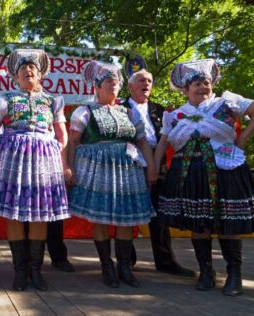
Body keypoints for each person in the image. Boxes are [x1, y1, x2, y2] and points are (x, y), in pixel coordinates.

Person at [155, 59, 254, 296]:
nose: (203, 87)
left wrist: (241, 140)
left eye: (206, 82)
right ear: (185, 89)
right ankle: (206, 270)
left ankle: (234, 274)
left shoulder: (226, 102)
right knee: (199, 222)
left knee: (227, 221)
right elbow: (163, 144)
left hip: (224, 168)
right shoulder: (174, 115)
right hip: (189, 172)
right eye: (196, 83)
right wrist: (153, 170)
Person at [0, 49, 70, 291]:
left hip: (44, 162)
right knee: (15, 214)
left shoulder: (53, 101)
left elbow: (62, 135)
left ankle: (36, 271)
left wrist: (62, 164)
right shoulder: (4, 100)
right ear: (15, 76)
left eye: (33, 69)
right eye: (23, 69)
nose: (28, 71)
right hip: (12, 160)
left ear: (41, 75)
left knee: (40, 215)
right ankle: (20, 271)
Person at [67, 60, 157, 288]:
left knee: (126, 218)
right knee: (101, 218)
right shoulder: (84, 111)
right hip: (97, 171)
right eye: (108, 81)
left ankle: (124, 267)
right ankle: (107, 265)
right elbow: (72, 142)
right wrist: (69, 169)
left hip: (128, 171)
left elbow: (142, 141)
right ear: (96, 86)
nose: (113, 85)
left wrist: (152, 167)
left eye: (116, 82)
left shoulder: (129, 112)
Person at [122, 69, 194, 276]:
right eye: (142, 80)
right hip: (129, 161)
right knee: (128, 213)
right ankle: (127, 261)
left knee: (160, 215)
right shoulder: (119, 108)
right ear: (130, 86)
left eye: (150, 81)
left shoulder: (161, 110)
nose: (146, 84)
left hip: (158, 161)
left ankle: (165, 261)